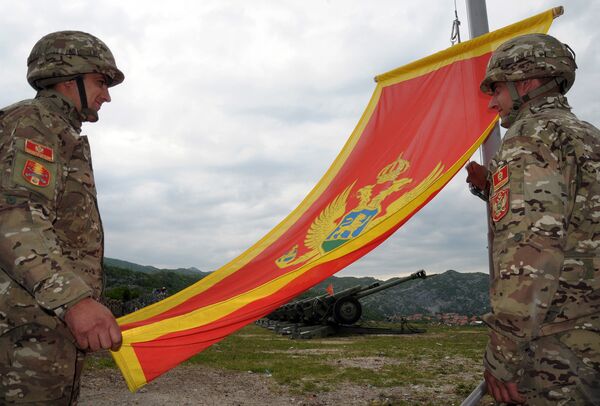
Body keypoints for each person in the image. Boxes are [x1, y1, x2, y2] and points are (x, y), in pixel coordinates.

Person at [466, 33, 600, 405]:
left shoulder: (527, 139)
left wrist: (503, 356)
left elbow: (531, 255)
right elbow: (576, 221)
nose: (493, 102)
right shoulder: (588, 136)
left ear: (524, 82)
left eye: (497, 89)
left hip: (557, 352)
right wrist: (491, 190)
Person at [0, 31, 124, 404]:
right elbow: (14, 219)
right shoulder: (32, 123)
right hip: (23, 333)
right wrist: (75, 302)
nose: (107, 95)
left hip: (44, 329)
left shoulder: (59, 132)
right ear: (70, 78)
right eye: (101, 81)